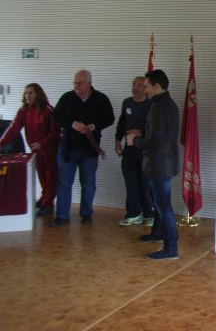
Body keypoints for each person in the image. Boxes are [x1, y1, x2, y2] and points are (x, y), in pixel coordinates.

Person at [127, 69, 180, 261]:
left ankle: (171, 247)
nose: (144, 90)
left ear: (157, 86)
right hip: (164, 163)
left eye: (147, 86)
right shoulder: (168, 104)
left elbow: (154, 142)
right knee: (160, 204)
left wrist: (134, 140)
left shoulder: (158, 108)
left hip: (158, 165)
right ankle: (158, 232)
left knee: (164, 207)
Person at [51, 70, 114, 227]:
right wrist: (73, 124)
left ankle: (86, 214)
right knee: (64, 183)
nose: (76, 86)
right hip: (68, 148)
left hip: (89, 149)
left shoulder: (100, 98)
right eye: (74, 83)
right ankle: (62, 216)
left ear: (89, 83)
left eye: (80, 83)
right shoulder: (67, 97)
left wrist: (94, 126)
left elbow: (109, 118)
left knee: (88, 184)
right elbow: (56, 116)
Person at [0, 83, 60, 216]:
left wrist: (41, 143)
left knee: (50, 177)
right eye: (26, 93)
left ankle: (48, 204)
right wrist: (1, 143)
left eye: (31, 93)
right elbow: (13, 128)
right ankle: (45, 198)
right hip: (35, 150)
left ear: (38, 94)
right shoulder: (23, 111)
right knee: (42, 176)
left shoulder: (48, 110)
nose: (28, 96)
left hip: (50, 150)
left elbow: (56, 133)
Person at [115, 76, 154, 226]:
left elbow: (155, 128)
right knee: (131, 183)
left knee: (146, 184)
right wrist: (117, 141)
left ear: (146, 88)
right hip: (129, 149)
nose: (135, 88)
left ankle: (150, 214)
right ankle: (134, 213)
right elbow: (122, 122)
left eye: (139, 85)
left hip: (145, 150)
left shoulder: (151, 104)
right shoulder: (127, 102)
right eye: (133, 84)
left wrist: (141, 133)